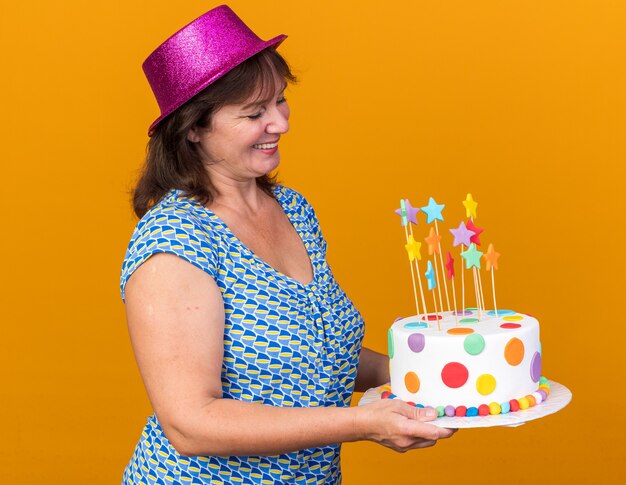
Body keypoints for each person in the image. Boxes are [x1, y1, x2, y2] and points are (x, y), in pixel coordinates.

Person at [120, 5, 455, 484]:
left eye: (280, 101)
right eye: (254, 113)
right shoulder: (175, 243)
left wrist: (426, 373)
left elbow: (316, 350)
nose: (280, 123)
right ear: (193, 129)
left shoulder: (292, 208)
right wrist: (362, 423)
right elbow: (190, 424)